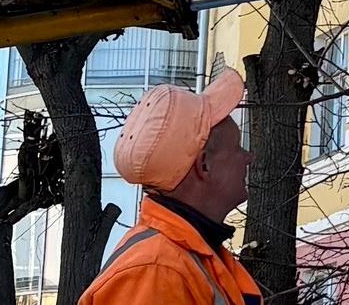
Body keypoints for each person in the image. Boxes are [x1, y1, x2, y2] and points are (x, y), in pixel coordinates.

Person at [80, 67, 262, 305]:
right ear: (204, 165)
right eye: (237, 147)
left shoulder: (182, 258)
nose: (248, 157)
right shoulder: (157, 270)